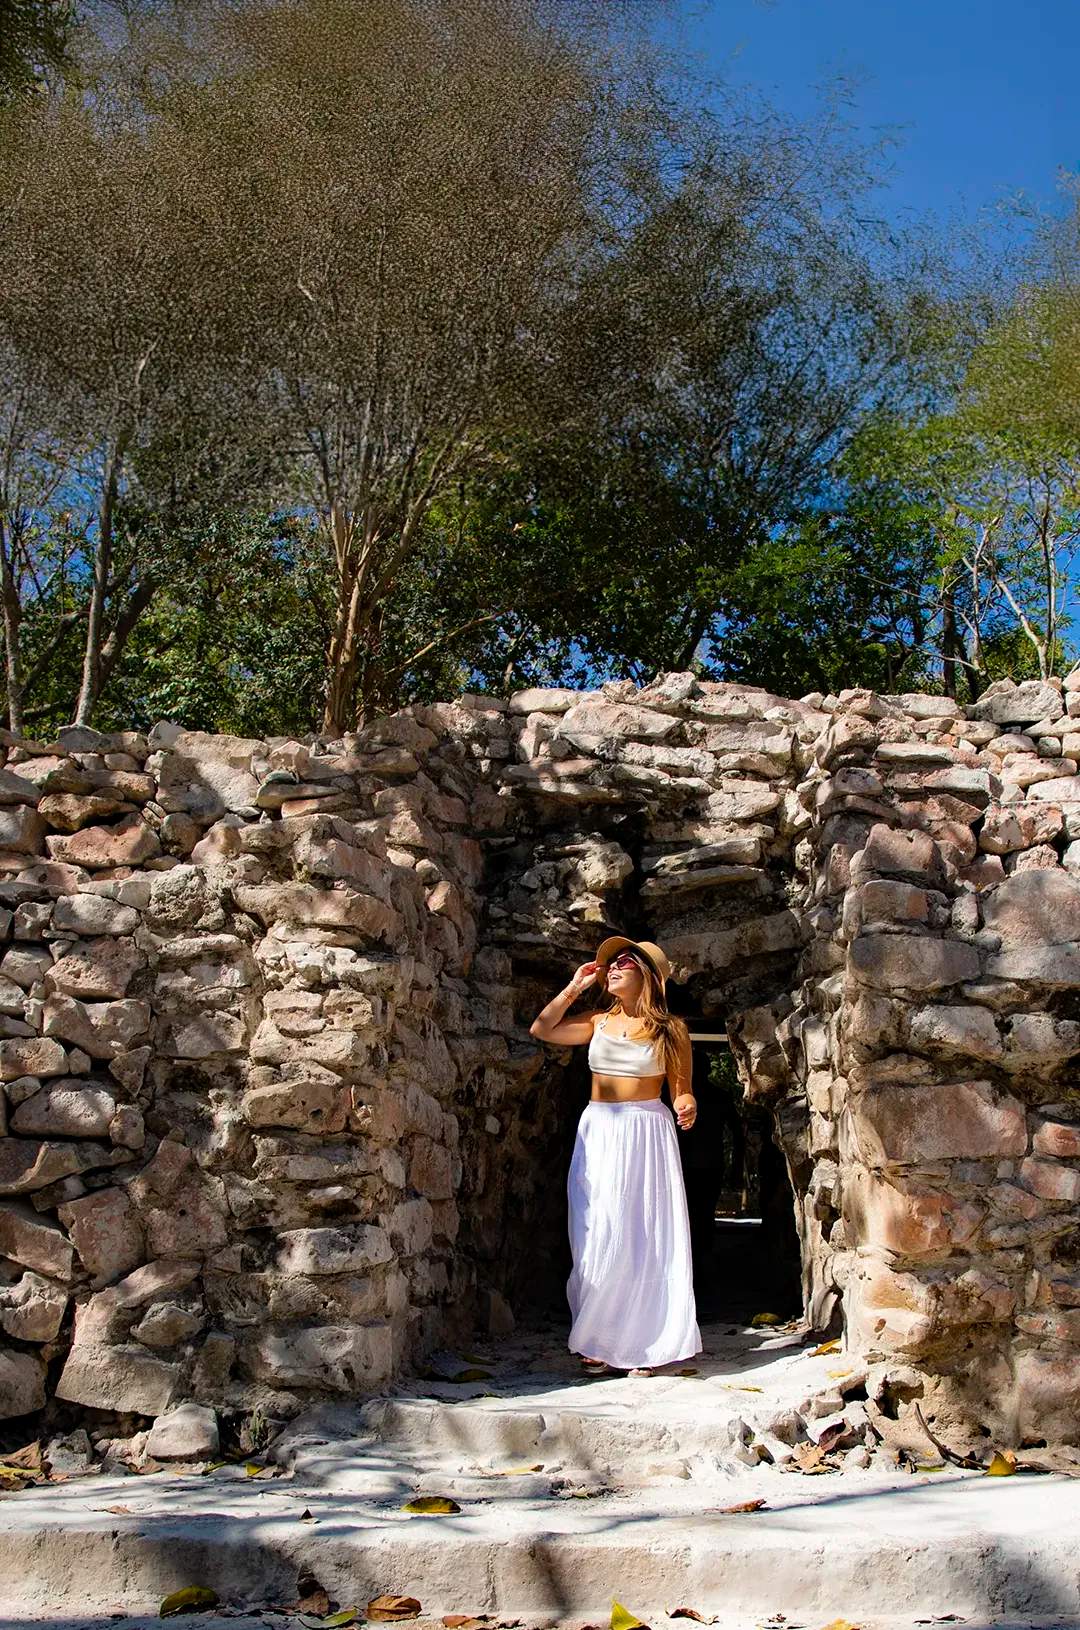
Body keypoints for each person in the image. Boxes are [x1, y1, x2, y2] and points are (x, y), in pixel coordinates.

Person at [529, 936, 702, 1377]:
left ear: (647, 975)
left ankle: (643, 1346)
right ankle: (599, 1338)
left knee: (642, 1234)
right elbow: (543, 1029)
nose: (613, 967)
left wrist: (687, 1104)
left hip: (646, 1130)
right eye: (611, 963)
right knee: (595, 1232)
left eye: (625, 961)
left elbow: (682, 1090)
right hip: (600, 1130)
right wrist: (573, 987)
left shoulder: (671, 1029)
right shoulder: (598, 1021)